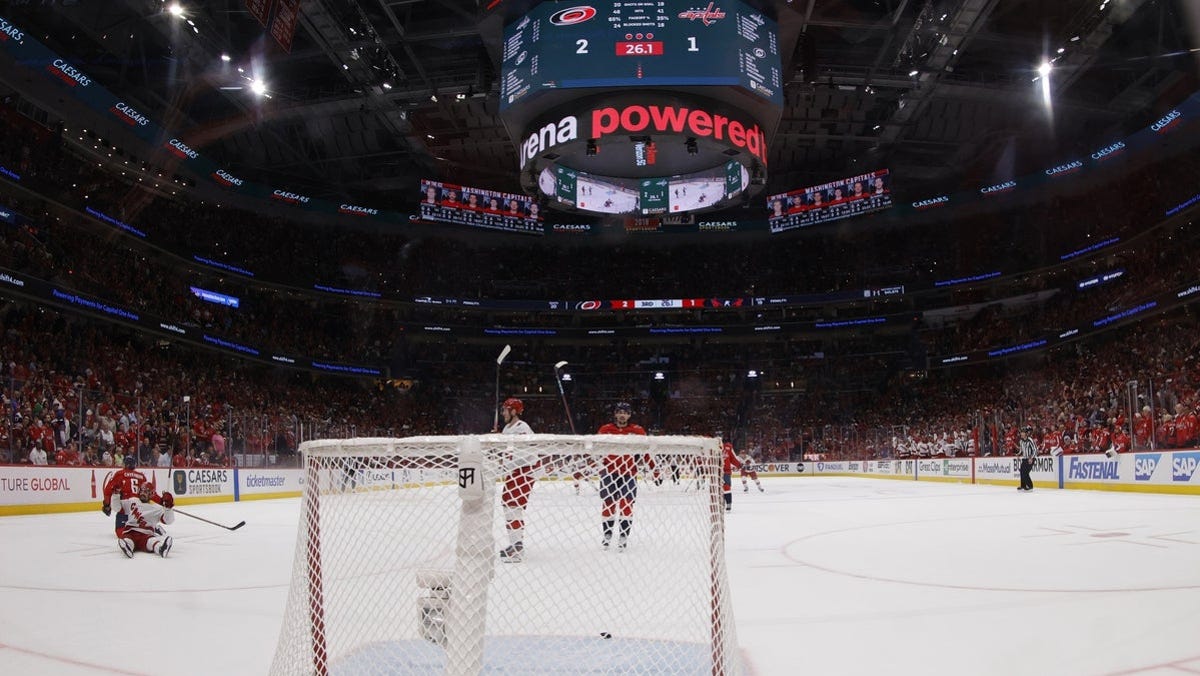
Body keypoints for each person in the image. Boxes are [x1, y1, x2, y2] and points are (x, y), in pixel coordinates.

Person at [597, 402, 648, 551]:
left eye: (625, 412)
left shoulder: (637, 431)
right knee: (609, 504)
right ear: (615, 414)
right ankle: (607, 534)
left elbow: (646, 449)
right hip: (609, 472)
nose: (622, 415)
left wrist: (653, 469)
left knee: (627, 505)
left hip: (629, 473)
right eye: (619, 412)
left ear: (630, 415)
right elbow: (596, 448)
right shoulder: (605, 429)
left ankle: (624, 536)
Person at [497, 397, 534, 562]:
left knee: (512, 506)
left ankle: (517, 549)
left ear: (513, 411)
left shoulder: (522, 427)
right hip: (515, 471)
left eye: (505, 409)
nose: (503, 412)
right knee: (509, 505)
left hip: (524, 470)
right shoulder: (507, 428)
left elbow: (525, 452)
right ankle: (515, 544)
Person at [115, 482, 174, 558]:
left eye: (146, 492)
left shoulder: (157, 508)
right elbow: (116, 507)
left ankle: (161, 549)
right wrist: (115, 494)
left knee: (151, 541)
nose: (142, 493)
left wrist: (168, 508)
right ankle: (128, 546)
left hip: (146, 535)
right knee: (127, 539)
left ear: (151, 494)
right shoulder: (132, 501)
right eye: (142, 491)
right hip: (130, 532)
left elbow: (168, 521)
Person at [102, 455, 150, 525]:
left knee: (122, 527)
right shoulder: (142, 476)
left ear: (127, 465)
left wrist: (107, 505)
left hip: (125, 507)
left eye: (124, 463)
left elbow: (108, 490)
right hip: (140, 508)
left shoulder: (120, 473)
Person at [721, 442, 743, 511]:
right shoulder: (712, 447)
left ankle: (728, 503)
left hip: (726, 472)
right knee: (718, 489)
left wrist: (739, 464)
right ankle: (720, 503)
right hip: (716, 473)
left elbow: (732, 458)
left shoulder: (728, 448)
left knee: (726, 487)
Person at [1017, 426, 1037, 491]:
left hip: (1030, 459)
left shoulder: (1030, 440)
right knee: (1022, 471)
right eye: (1021, 433)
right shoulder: (1021, 441)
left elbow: (1035, 450)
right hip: (1024, 459)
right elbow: (1021, 449)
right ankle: (1023, 485)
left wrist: (1031, 458)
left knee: (1025, 472)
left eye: (1023, 432)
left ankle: (1030, 486)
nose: (1021, 434)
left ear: (1026, 433)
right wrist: (1019, 454)